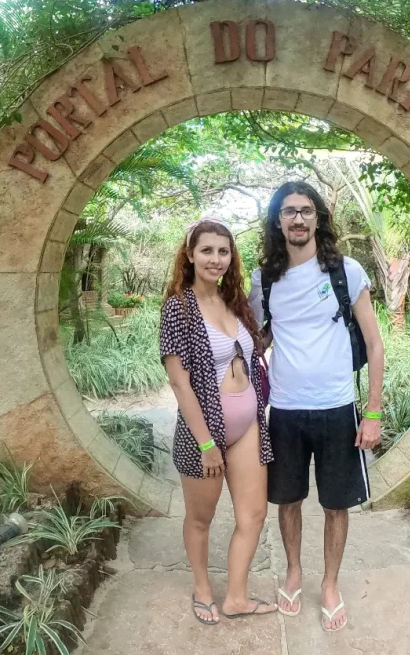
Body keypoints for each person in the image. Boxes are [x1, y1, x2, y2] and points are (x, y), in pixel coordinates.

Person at [248, 182, 385, 633]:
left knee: (335, 505)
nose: (298, 219)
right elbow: (260, 335)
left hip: (337, 407)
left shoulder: (346, 271)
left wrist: (373, 411)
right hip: (285, 410)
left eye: (306, 211)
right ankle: (293, 571)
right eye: (289, 212)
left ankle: (329, 583)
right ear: (278, 221)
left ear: (318, 217)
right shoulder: (263, 277)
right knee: (287, 500)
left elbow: (374, 342)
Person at [159, 217, 278, 625]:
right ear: (189, 255)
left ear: (231, 257)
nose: (215, 259)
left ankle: (237, 598)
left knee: (254, 515)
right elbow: (179, 382)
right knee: (200, 519)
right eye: (206, 250)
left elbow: (253, 346)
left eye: (223, 251)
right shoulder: (179, 308)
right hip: (203, 435)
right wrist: (207, 444)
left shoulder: (234, 301)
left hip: (247, 427)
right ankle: (203, 590)